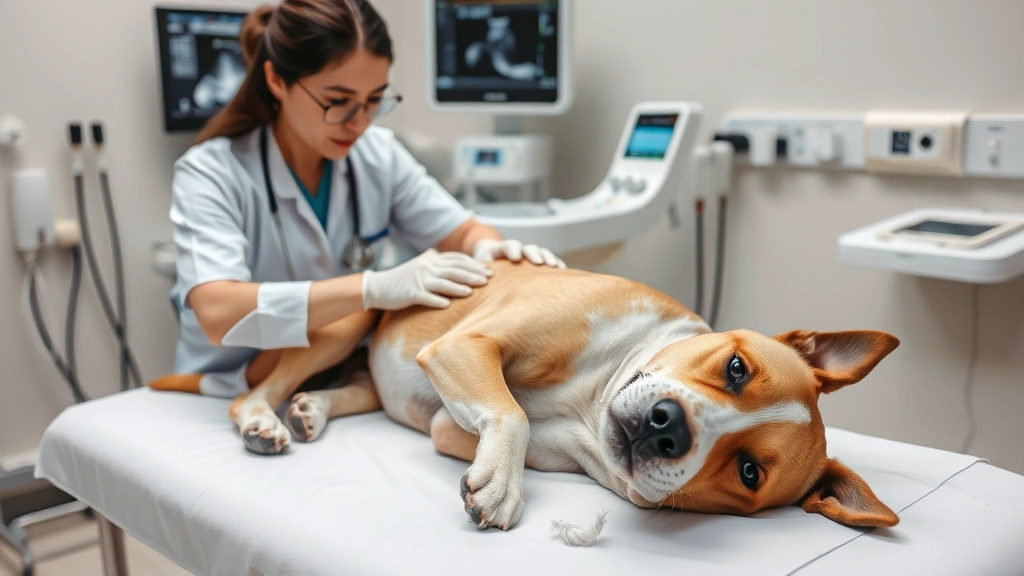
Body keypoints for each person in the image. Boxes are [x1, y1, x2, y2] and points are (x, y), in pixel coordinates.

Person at [168, 0, 565, 398]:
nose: (359, 122)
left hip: (336, 372)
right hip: (230, 384)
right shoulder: (211, 172)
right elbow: (217, 311)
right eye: (337, 101)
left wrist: (491, 247)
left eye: (374, 99)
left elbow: (460, 230)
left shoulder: (377, 155)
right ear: (276, 81)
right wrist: (369, 290)